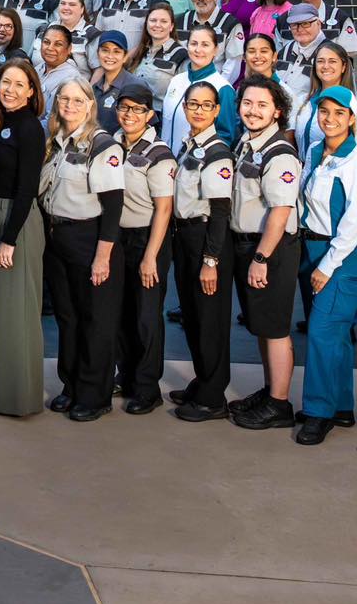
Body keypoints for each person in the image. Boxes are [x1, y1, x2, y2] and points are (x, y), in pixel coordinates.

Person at [39, 79, 125, 421]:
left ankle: (94, 394)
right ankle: (72, 384)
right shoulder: (56, 141)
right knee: (67, 317)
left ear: (91, 105)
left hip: (89, 239)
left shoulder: (102, 146)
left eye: (78, 100)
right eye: (64, 99)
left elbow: (113, 206)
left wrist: (103, 256)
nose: (70, 105)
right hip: (58, 237)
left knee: (95, 320)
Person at [292, 87, 357, 445]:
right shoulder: (314, 149)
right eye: (324, 111)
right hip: (309, 247)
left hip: (337, 255)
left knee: (323, 333)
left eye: (339, 113)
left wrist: (328, 264)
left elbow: (354, 221)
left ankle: (318, 412)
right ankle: (341, 405)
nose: (330, 119)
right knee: (334, 334)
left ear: (352, 119)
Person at [228, 77, 302, 432]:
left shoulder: (280, 153)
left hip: (270, 249)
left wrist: (261, 259)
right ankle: (271, 389)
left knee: (274, 328)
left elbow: (281, 211)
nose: (252, 111)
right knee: (261, 324)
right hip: (249, 245)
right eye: (247, 103)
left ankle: (280, 404)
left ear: (277, 111)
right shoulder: (247, 143)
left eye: (261, 105)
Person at [0, 59, 48, 417]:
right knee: (1, 310)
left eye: (19, 84)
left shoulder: (29, 128)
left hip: (16, 222)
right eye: (5, 82)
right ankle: (1, 392)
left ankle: (20, 398)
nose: (10, 89)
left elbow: (27, 190)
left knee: (17, 310)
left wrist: (9, 239)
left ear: (31, 91)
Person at [169, 82, 236, 423]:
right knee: (193, 316)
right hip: (185, 236)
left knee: (210, 320)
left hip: (206, 240)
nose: (198, 110)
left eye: (206, 105)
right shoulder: (189, 146)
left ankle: (213, 397)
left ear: (216, 110)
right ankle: (203, 380)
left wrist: (211, 260)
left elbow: (221, 211)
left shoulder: (217, 152)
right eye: (192, 104)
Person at [111, 83, 176, 415]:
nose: (129, 115)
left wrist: (150, 256)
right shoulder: (113, 143)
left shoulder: (159, 153)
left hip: (148, 239)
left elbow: (164, 209)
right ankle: (126, 375)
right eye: (124, 107)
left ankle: (148, 387)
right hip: (118, 238)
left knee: (146, 316)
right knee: (122, 311)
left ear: (150, 114)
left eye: (138, 109)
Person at [161, 24, 237, 146]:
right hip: (164, 155)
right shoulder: (175, 80)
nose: (198, 50)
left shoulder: (223, 88)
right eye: (194, 44)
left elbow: (225, 136)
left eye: (205, 45)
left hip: (195, 157)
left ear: (216, 50)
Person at [85, 30, 147, 134]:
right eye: (105, 50)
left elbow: (146, 125)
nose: (110, 56)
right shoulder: (95, 88)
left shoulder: (136, 86)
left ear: (125, 56)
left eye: (116, 51)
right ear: (98, 53)